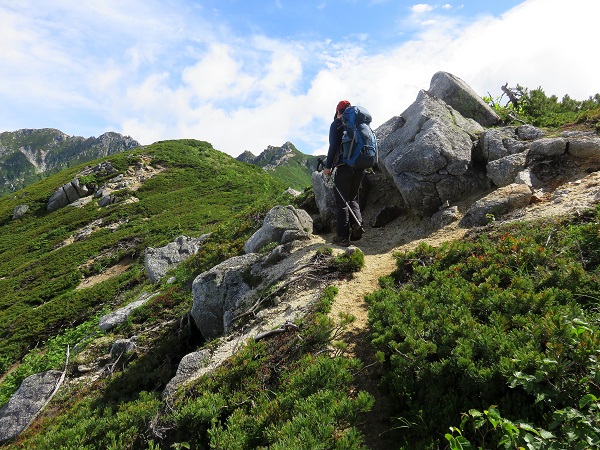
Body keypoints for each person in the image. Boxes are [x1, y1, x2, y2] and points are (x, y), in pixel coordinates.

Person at [323, 100, 365, 247]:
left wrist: (328, 168)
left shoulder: (337, 124)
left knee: (342, 202)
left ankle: (342, 237)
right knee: (352, 197)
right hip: (360, 166)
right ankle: (357, 224)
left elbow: (333, 146)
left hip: (344, 166)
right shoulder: (359, 124)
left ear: (338, 111)